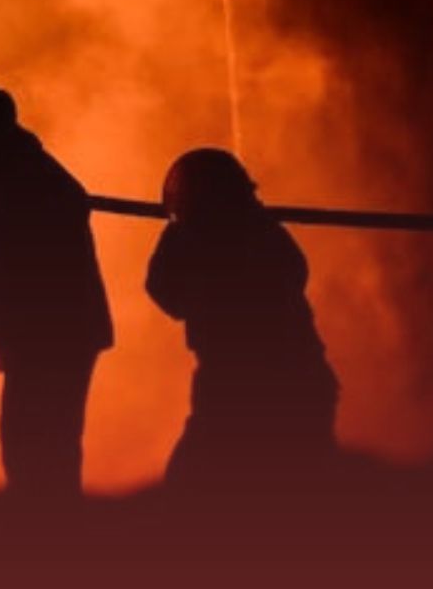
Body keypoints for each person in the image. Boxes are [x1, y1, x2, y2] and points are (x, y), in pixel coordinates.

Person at [0, 76, 114, 497]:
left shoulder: (16, 178)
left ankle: (50, 544)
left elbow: (0, 253)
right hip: (58, 332)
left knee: (33, 451)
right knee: (46, 448)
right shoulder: (20, 169)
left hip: (48, 335)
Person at [145, 148, 339, 487]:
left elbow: (164, 290)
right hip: (298, 379)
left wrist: (178, 230)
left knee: (194, 487)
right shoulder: (261, 228)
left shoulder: (210, 236)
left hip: (245, 386)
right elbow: (296, 273)